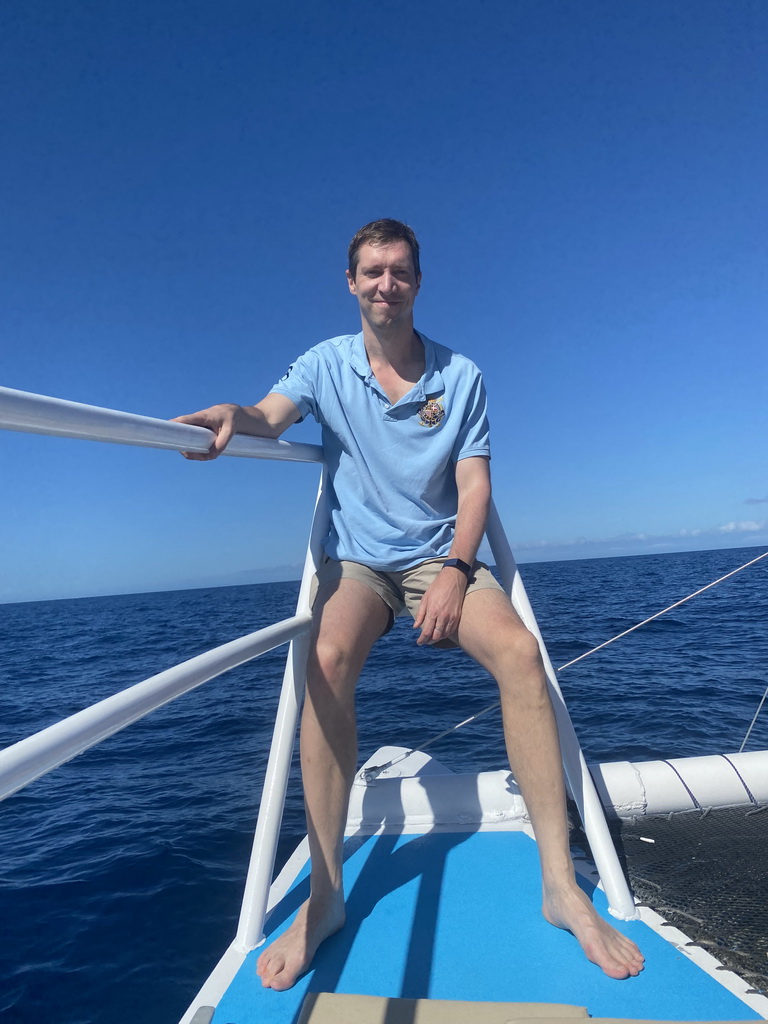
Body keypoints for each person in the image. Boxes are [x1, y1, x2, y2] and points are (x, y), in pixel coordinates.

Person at [174, 219, 644, 990]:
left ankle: (560, 885)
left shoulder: (462, 376)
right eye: (371, 272)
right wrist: (235, 415)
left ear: (418, 283)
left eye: (398, 271)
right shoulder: (325, 364)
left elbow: (473, 486)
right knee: (322, 660)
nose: (385, 284)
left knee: (522, 655)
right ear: (351, 283)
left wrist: (460, 568)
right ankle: (327, 897)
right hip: (359, 564)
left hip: (440, 557)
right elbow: (270, 413)